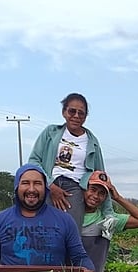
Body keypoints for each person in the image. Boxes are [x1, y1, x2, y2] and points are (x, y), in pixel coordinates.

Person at [28, 93, 113, 233]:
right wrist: (50, 185)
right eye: (72, 111)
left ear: (86, 116)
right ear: (64, 112)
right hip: (49, 184)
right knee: (42, 230)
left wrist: (108, 212)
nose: (76, 116)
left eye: (81, 113)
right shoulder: (51, 132)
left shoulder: (92, 142)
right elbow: (34, 160)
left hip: (74, 189)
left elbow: (101, 176)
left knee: (70, 233)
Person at [78, 170, 138, 272]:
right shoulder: (69, 215)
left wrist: (117, 198)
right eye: (93, 190)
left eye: (102, 193)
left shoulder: (107, 220)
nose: (96, 196)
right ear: (83, 189)